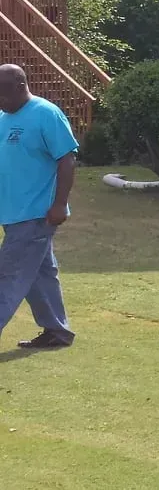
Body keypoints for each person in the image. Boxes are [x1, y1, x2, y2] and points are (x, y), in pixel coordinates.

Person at [0, 64, 77, 349]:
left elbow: (67, 159)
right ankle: (57, 331)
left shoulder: (46, 114)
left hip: (36, 214)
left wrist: (60, 203)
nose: (0, 101)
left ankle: (56, 330)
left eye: (4, 95)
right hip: (13, 213)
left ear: (21, 86)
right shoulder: (3, 118)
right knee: (40, 275)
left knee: (7, 275)